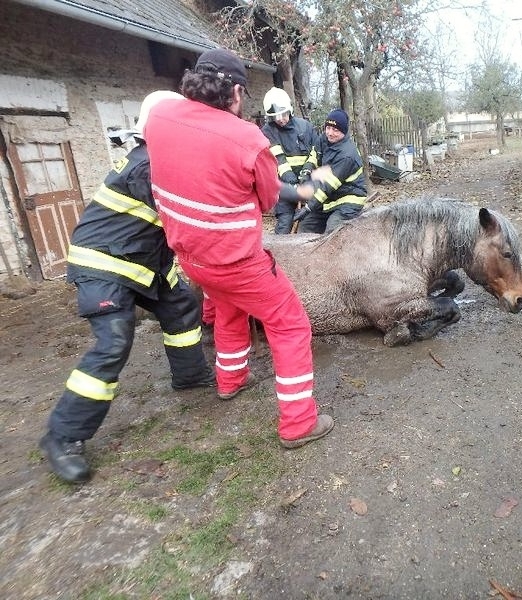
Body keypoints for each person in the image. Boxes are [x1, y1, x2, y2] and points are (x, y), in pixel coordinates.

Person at [143, 48, 334, 450]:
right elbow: (267, 200)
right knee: (290, 323)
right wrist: (306, 189)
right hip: (236, 261)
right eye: (244, 93)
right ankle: (299, 422)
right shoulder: (247, 138)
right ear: (234, 91)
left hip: (192, 258)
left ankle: (230, 379)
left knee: (229, 307)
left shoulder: (160, 117)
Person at [39, 90, 215, 484]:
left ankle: (190, 376)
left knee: (182, 305)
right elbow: (187, 213)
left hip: (145, 262)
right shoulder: (147, 166)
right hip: (106, 264)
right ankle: (62, 435)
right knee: (113, 342)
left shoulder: (159, 159)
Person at [295, 108, 368, 233]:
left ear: (344, 132)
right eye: (328, 128)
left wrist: (308, 208)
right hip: (329, 200)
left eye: (335, 130)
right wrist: (306, 171)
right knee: (306, 226)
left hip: (348, 200)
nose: (330, 133)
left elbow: (328, 186)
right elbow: (314, 155)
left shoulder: (347, 155)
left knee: (333, 231)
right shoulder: (324, 138)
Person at [261, 87, 318, 233]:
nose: (279, 119)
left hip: (307, 186)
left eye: (282, 114)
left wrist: (307, 170)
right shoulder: (268, 131)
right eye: (275, 116)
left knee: (308, 227)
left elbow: (316, 151)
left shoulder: (305, 127)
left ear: (289, 109)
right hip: (285, 189)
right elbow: (276, 157)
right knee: (284, 225)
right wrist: (290, 180)